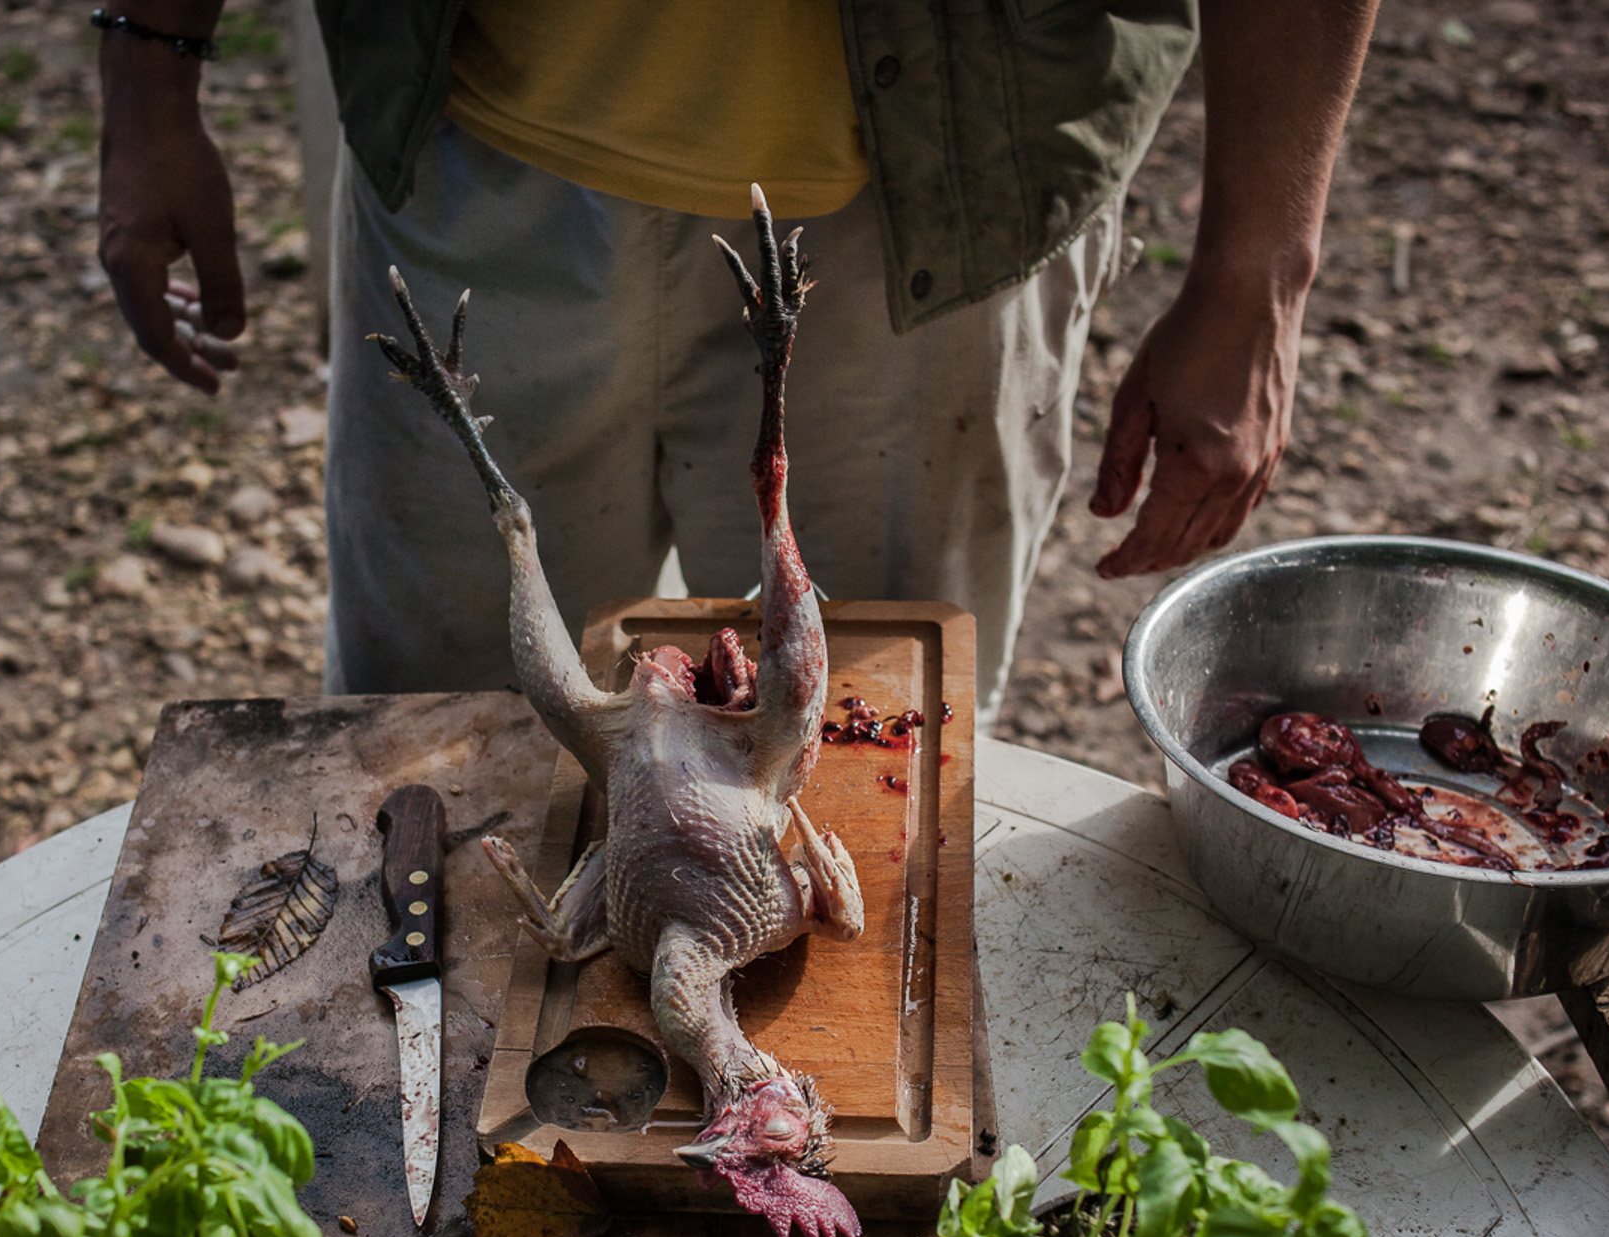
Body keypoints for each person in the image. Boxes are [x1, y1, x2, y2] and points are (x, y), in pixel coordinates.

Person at [95, 1, 1377, 708]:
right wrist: (151, 70)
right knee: (430, 770)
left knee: (861, 770)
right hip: (472, 151)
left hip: (935, 208)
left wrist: (1259, 270)